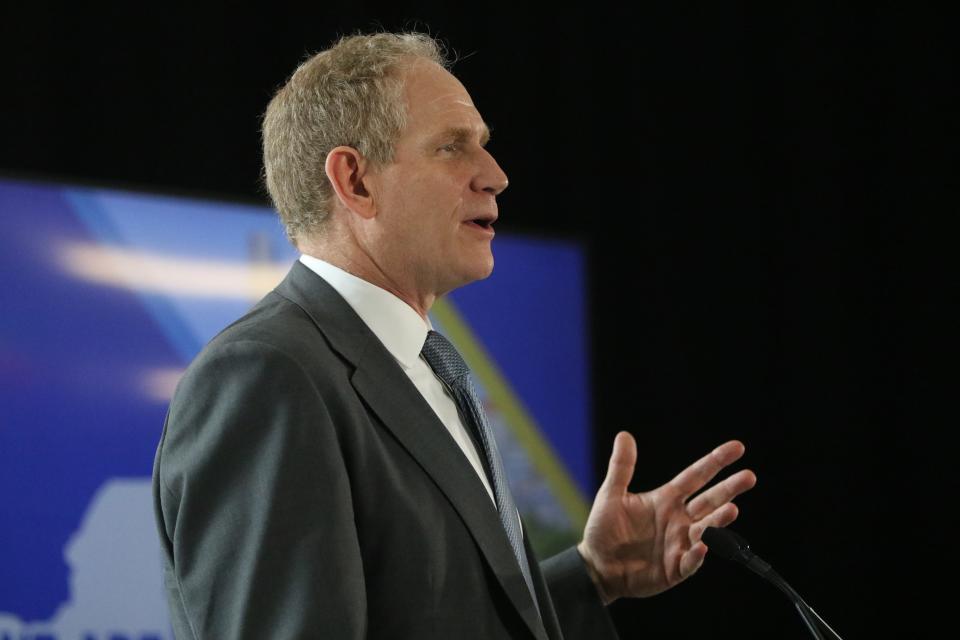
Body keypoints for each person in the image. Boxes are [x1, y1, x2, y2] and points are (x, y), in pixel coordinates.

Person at [152, 31, 757, 640]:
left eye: (485, 148)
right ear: (356, 181)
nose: (495, 175)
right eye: (451, 147)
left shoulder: (427, 366)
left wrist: (591, 575)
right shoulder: (268, 375)